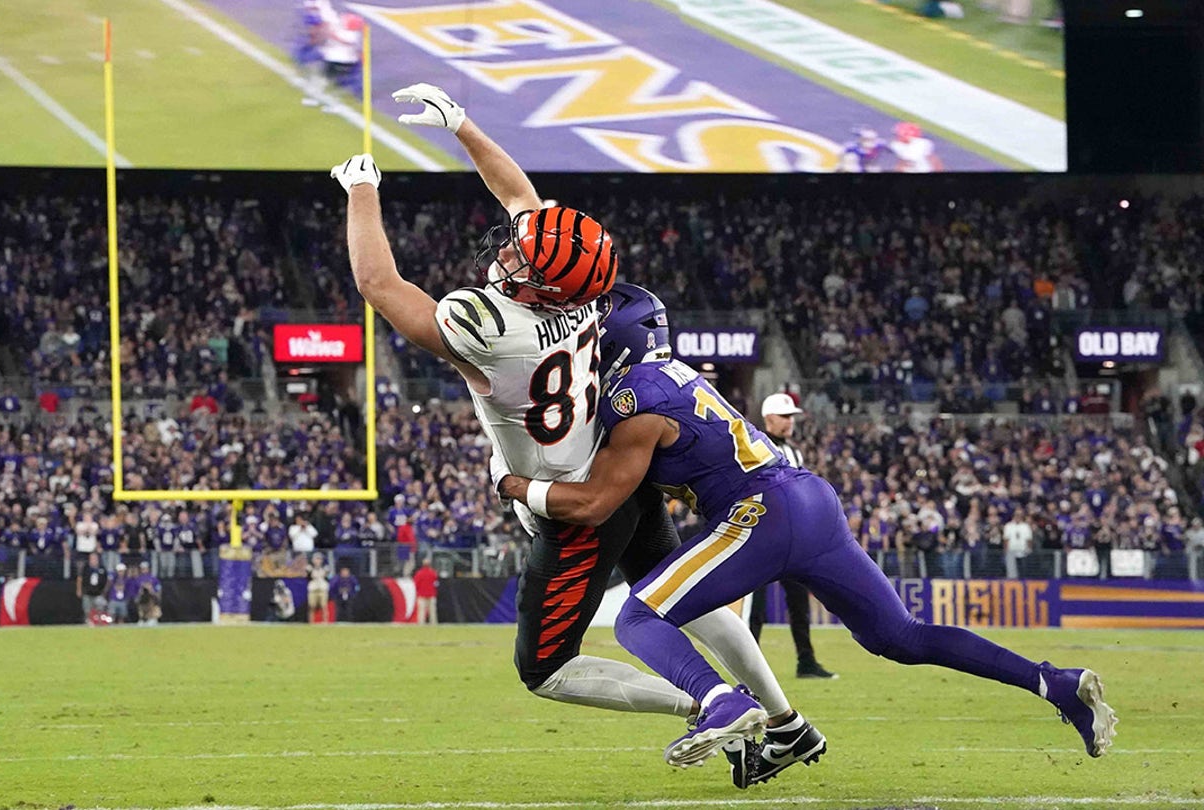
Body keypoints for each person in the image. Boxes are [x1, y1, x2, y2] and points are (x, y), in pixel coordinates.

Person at [333, 83, 794, 762]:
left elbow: (380, 285)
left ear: (543, 284)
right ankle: (784, 718)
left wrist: (361, 189)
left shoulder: (492, 326)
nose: (510, 251)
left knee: (545, 668)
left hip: (574, 505)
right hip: (618, 471)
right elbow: (522, 199)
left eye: (522, 257)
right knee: (683, 596)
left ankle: (713, 702)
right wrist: (461, 125)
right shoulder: (586, 291)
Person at [500, 284, 1118, 783]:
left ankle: (721, 701)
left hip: (759, 512)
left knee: (638, 618)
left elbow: (595, 502)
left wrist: (513, 483)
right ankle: (1053, 683)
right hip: (808, 499)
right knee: (900, 636)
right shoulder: (674, 376)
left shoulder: (633, 397)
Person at [747, 393, 836, 680]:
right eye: (785, 417)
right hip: (763, 536)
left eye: (791, 417)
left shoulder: (793, 451)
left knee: (798, 603)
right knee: (755, 608)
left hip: (790, 536)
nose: (790, 422)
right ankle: (749, 670)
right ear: (769, 418)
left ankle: (806, 661)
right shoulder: (757, 444)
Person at [76, 552, 109, 624]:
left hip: (98, 593)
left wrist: (104, 591)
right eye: (92, 559)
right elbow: (80, 579)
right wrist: (79, 589)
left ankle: (100, 621)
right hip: (87, 592)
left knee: (100, 608)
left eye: (95, 558)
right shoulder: (86, 568)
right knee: (87, 609)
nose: (94, 560)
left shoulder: (102, 569)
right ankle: (88, 621)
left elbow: (106, 581)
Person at [306, 552, 331, 623]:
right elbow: (308, 577)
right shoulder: (309, 568)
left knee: (324, 606)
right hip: (313, 589)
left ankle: (325, 621)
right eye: (316, 559)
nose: (318, 561)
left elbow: (327, 577)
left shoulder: (325, 568)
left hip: (322, 589)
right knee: (311, 606)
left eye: (319, 559)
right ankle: (311, 622)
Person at [413, 555, 439, 624]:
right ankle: (433, 623)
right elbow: (436, 584)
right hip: (431, 594)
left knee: (421, 611)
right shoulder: (433, 573)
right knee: (432, 611)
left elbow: (416, 584)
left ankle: (421, 623)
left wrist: (418, 591)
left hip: (421, 594)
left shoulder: (419, 573)